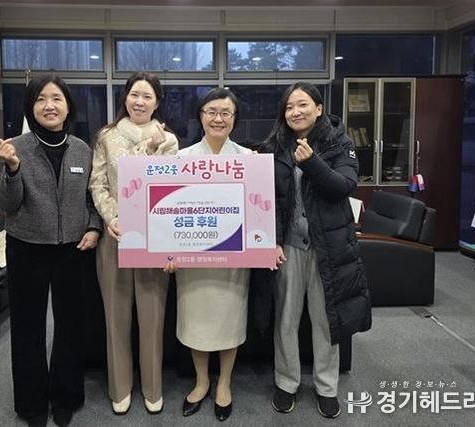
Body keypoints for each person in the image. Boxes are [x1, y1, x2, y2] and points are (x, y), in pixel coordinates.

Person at [0, 75, 102, 427]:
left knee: (71, 325)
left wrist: (93, 227)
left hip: (73, 247)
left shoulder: (82, 149)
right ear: (31, 107)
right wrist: (12, 170)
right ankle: (32, 404)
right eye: (40, 99)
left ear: (68, 106)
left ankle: (66, 397)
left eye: (56, 98)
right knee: (28, 327)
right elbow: (6, 203)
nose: (49, 105)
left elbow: (91, 198)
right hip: (26, 246)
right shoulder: (15, 148)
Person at [260, 82, 371, 419]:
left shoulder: (339, 143)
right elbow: (267, 199)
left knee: (326, 320)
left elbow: (343, 187)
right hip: (289, 247)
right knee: (286, 320)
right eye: (289, 107)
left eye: (303, 104)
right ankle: (286, 382)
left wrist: (311, 162)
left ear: (319, 108)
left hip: (328, 247)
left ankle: (326, 386)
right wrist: (272, 240)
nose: (295, 112)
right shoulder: (275, 146)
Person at [89, 71, 179, 415]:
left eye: (147, 96)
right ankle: (120, 386)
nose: (139, 102)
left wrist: (151, 147)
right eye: (134, 95)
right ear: (125, 97)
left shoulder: (168, 140)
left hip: (154, 238)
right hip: (115, 236)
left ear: (157, 103)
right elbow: (98, 183)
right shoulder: (107, 136)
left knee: (153, 317)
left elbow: (163, 186)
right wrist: (112, 217)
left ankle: (153, 387)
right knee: (116, 317)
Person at [167, 88, 251, 422]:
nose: (218, 119)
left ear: (234, 119)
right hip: (193, 260)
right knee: (197, 323)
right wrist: (168, 251)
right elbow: (170, 213)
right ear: (201, 117)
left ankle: (225, 383)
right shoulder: (181, 158)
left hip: (232, 259)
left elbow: (258, 211)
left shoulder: (248, 159)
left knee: (229, 322)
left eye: (225, 113)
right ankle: (202, 381)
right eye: (211, 112)